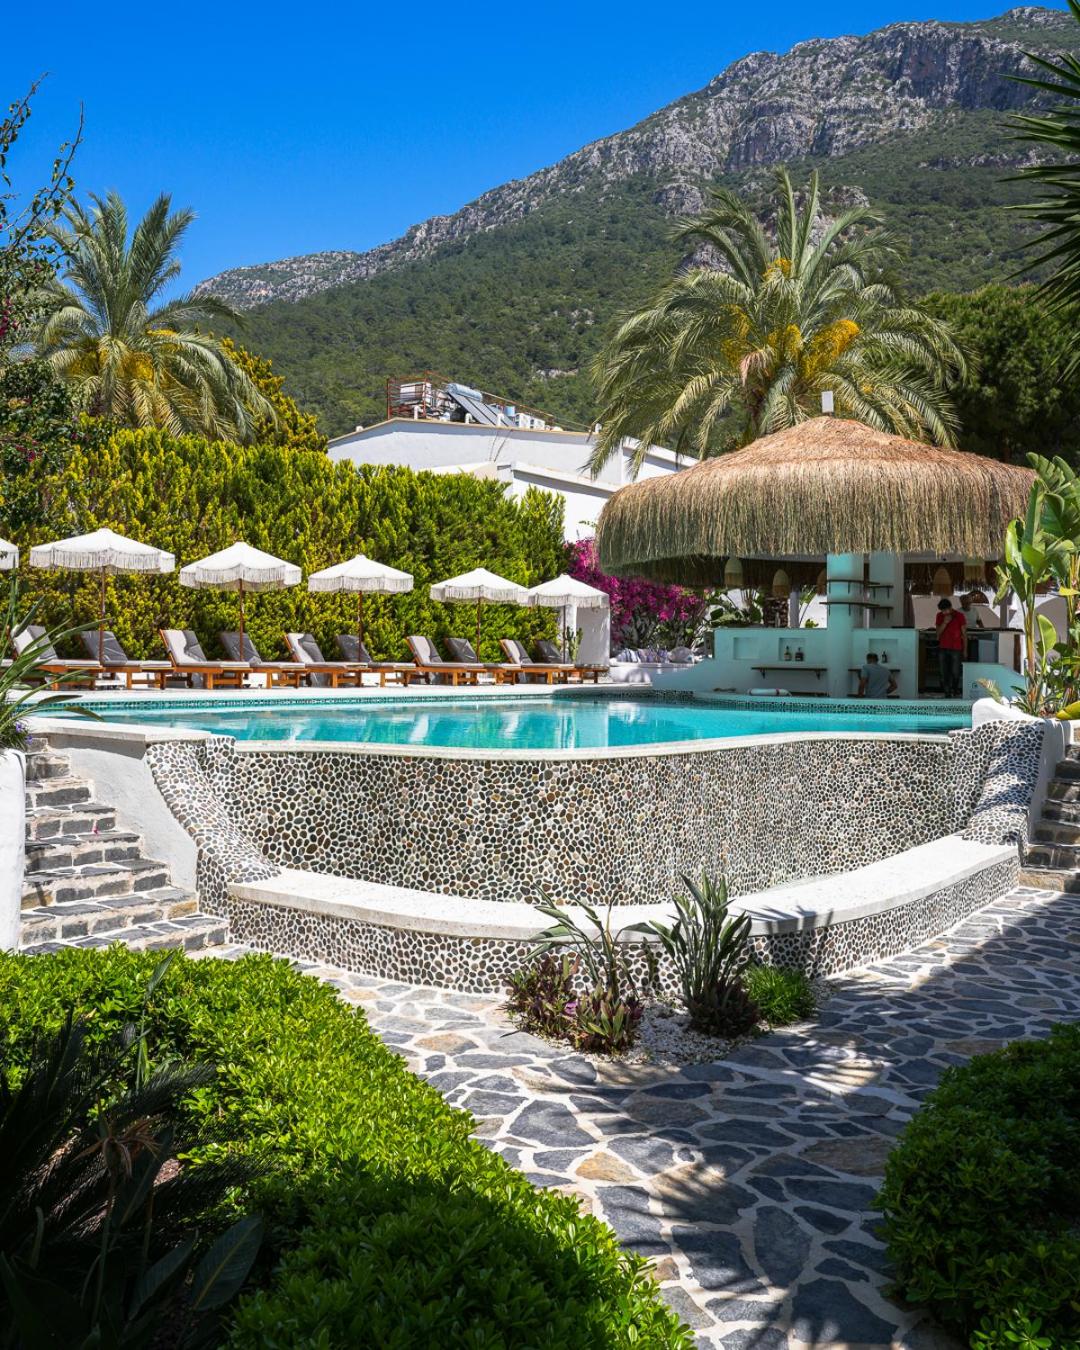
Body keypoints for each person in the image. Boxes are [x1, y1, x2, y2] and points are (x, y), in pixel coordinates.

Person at [935, 598, 967, 698]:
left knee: (955, 672)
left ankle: (955, 689)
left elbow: (964, 634)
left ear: (950, 608)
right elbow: (938, 634)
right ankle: (947, 692)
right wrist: (945, 623)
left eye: (945, 610)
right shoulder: (939, 616)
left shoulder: (959, 616)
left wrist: (965, 650)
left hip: (956, 648)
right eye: (942, 611)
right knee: (943, 671)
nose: (944, 613)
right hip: (943, 647)